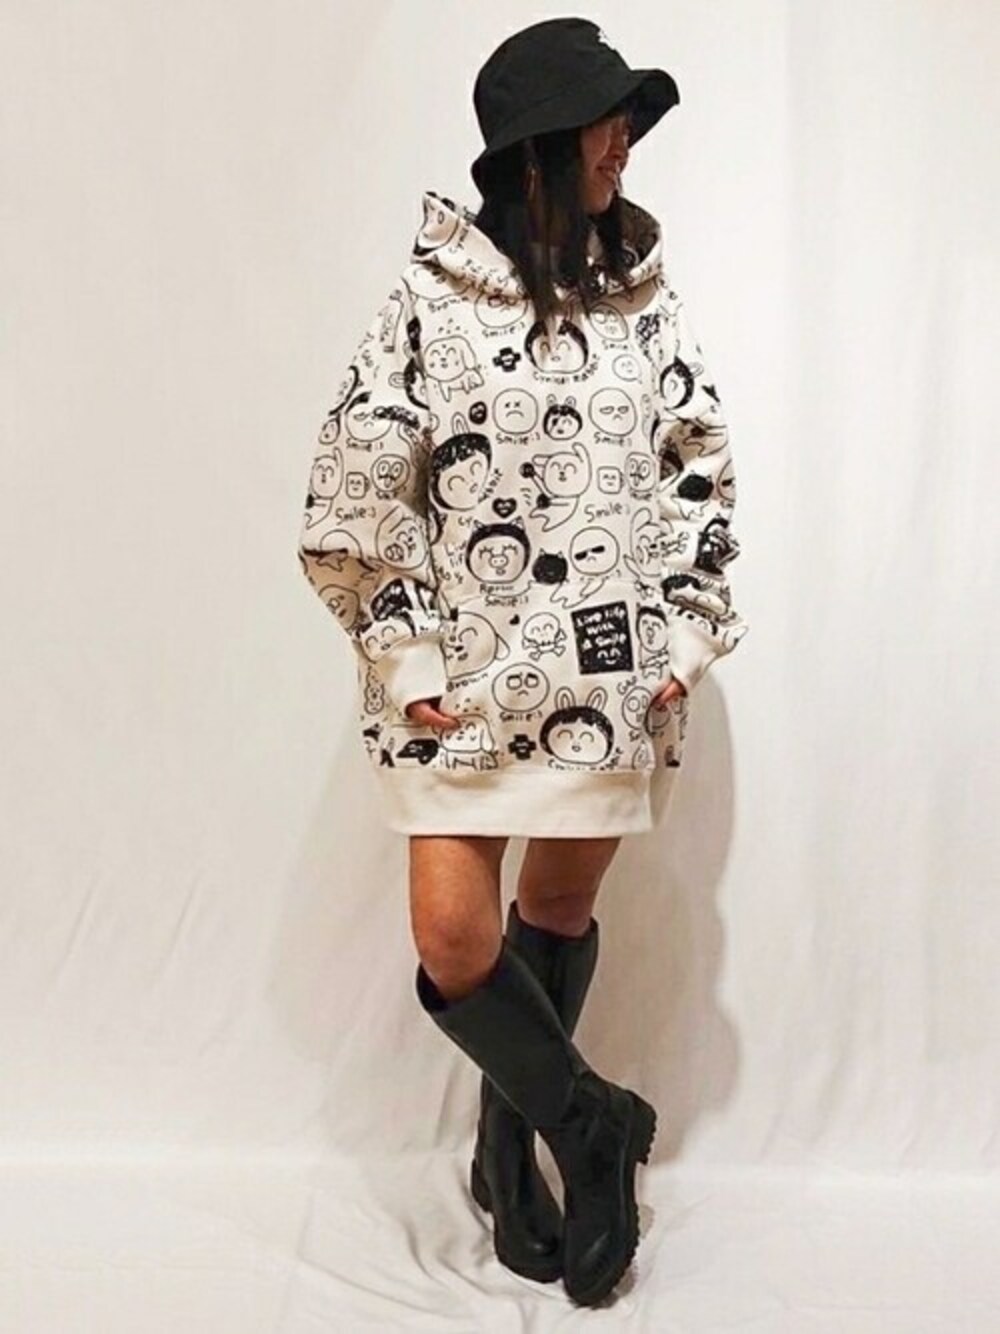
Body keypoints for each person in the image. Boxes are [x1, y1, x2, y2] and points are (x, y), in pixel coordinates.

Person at [295, 16, 749, 1308]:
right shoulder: (428, 304)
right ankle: (592, 1123)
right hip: (462, 693)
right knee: (455, 938)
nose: (625, 145)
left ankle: (510, 1148)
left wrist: (685, 631)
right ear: (540, 147)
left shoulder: (644, 301)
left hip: (604, 686)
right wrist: (404, 653)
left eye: (628, 124)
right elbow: (352, 494)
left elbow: (700, 471)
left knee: (552, 914)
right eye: (608, 123)